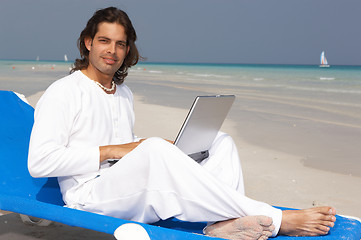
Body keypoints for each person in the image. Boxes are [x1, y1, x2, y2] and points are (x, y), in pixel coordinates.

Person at [28, 7, 336, 240]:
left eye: (120, 44)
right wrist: (119, 150)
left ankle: (223, 225)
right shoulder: (64, 92)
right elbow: (39, 162)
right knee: (153, 151)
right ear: (87, 43)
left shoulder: (123, 93)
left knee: (219, 142)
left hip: (126, 183)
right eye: (104, 41)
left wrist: (154, 143)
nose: (112, 50)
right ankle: (277, 219)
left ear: (127, 49)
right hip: (90, 196)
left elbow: (121, 137)